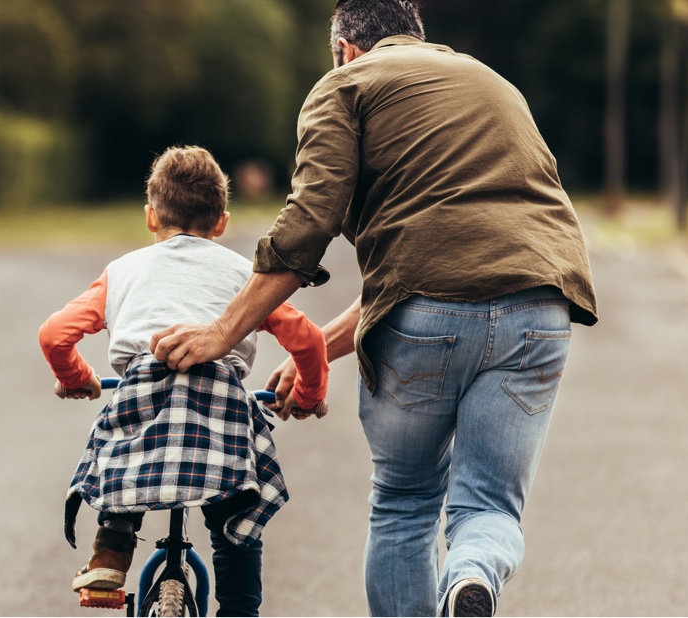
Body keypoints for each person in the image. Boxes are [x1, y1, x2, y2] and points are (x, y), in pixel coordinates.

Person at [147, 1, 599, 617]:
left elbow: (309, 225)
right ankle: (471, 577)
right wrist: (318, 353)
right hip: (540, 308)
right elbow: (433, 259)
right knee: (489, 507)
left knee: (406, 503)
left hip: (426, 320)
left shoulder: (346, 84)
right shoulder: (491, 83)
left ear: (343, 48)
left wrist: (221, 333)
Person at [38, 146, 330, 616]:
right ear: (221, 223)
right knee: (233, 520)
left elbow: (54, 334)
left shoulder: (123, 272)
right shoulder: (247, 277)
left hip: (142, 393)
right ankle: (239, 610)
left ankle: (111, 550)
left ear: (151, 217)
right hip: (220, 407)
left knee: (123, 453)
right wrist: (308, 393)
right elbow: (309, 339)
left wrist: (78, 378)